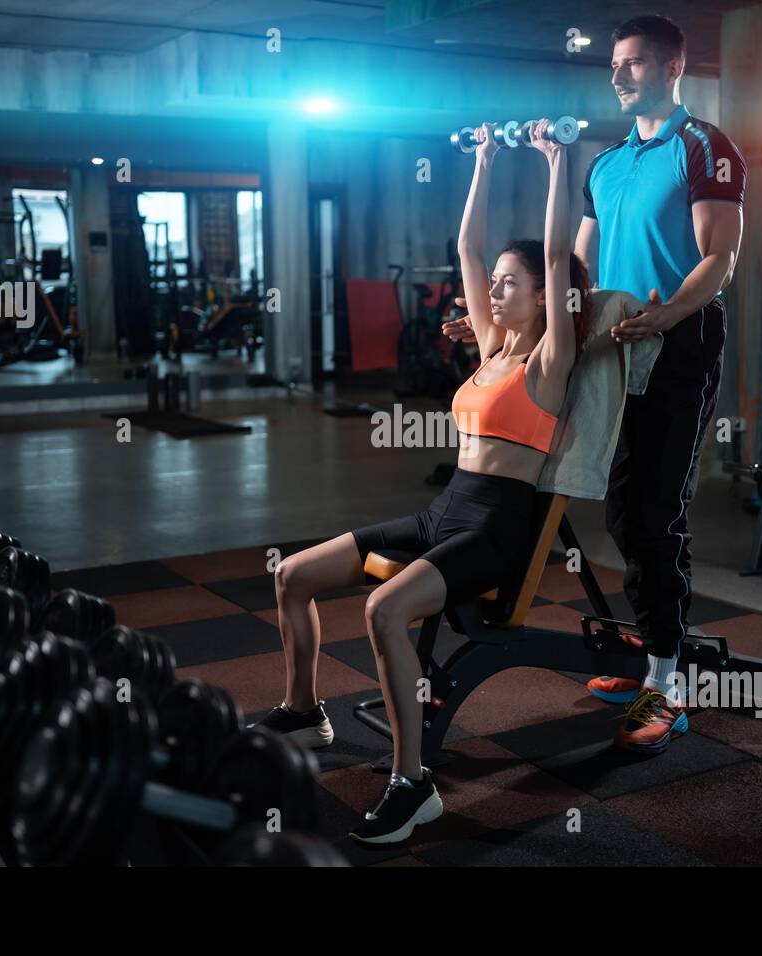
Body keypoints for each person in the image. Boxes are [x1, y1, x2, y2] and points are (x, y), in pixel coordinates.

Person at [253, 118, 592, 844]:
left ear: (543, 298)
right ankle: (304, 708)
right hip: (446, 511)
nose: (493, 292)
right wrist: (485, 161)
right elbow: (465, 248)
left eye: (510, 284)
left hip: (494, 527)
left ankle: (413, 784)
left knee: (382, 610)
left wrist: (559, 163)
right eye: (493, 284)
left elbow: (560, 254)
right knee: (293, 576)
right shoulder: (493, 348)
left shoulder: (547, 364)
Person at [446, 14, 746, 757]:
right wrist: (505, 326)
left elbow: (720, 258)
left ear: (673, 67)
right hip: (609, 345)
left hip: (675, 346)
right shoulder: (606, 164)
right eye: (615, 64)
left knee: (651, 512)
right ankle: (650, 650)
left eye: (636, 63)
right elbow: (572, 281)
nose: (619, 76)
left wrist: (666, 316)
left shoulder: (704, 146)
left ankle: (667, 686)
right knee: (607, 507)